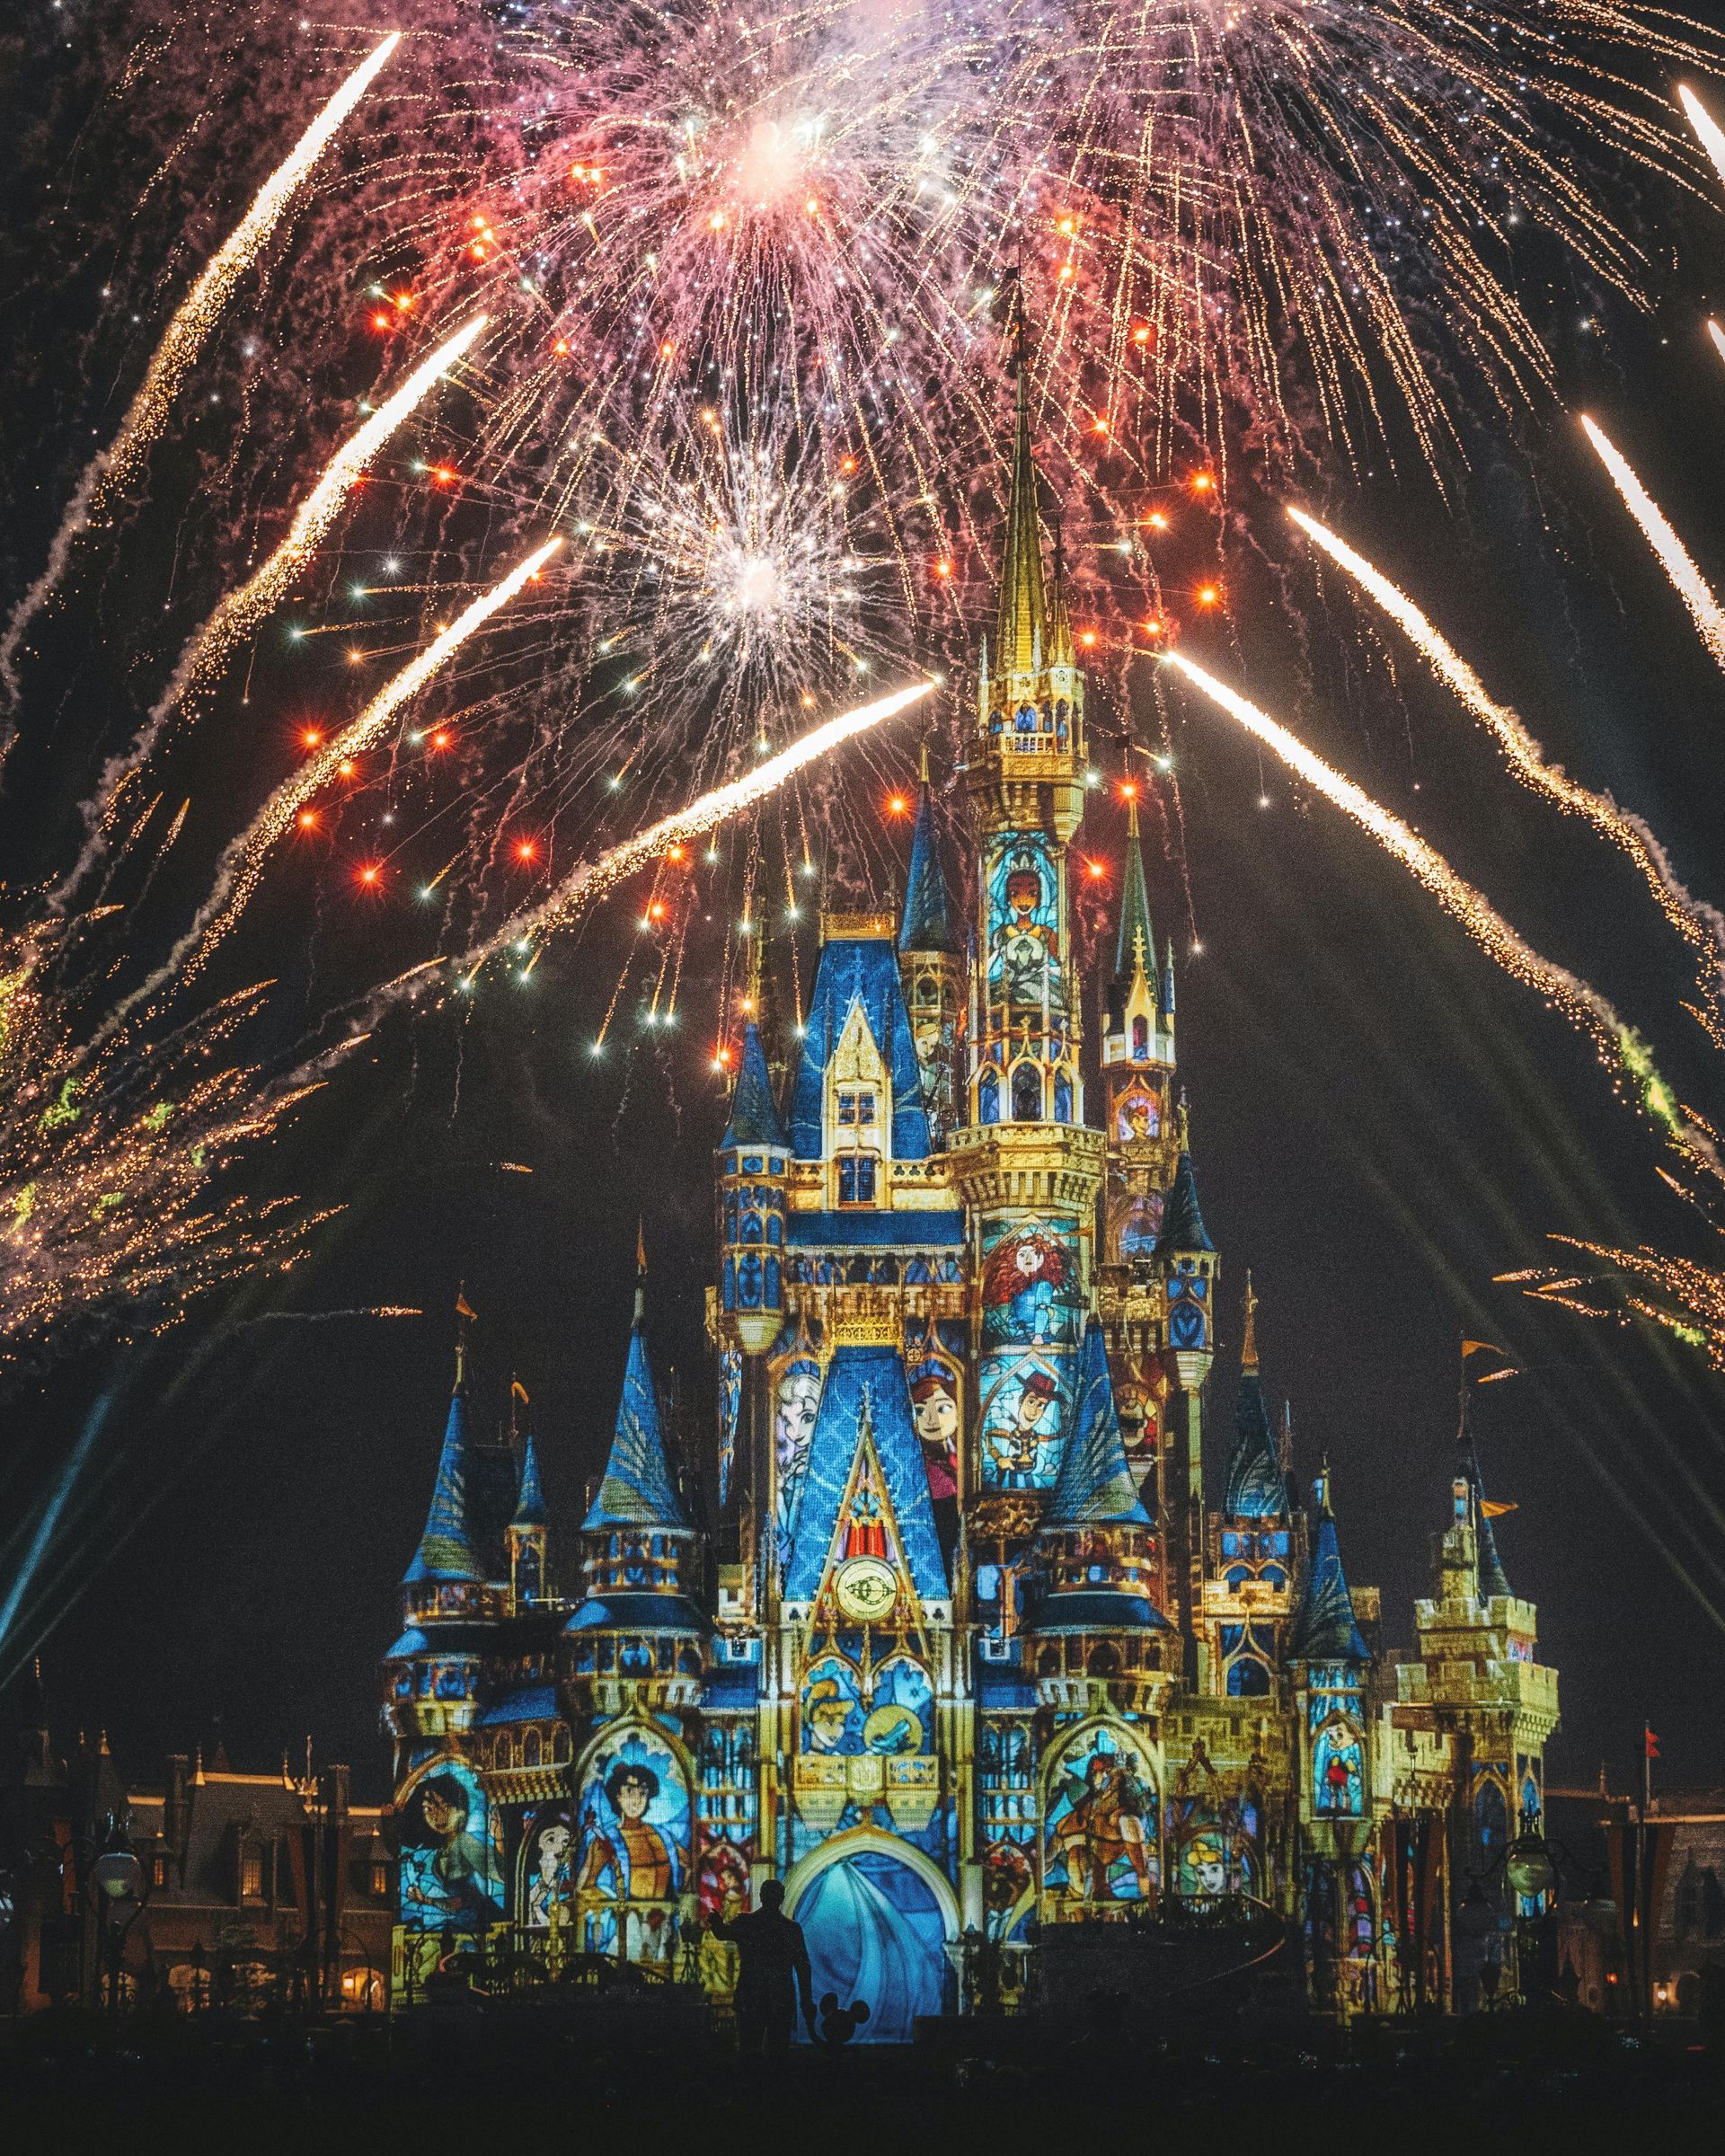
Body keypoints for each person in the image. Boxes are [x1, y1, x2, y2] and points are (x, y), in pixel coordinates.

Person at [707, 1878, 817, 2060]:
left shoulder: (747, 1922)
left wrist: (717, 1924)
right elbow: (803, 1967)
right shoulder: (791, 1929)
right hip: (780, 1998)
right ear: (781, 1898)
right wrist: (806, 1999)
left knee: (749, 2052)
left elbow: (723, 1933)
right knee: (778, 2054)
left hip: (752, 1996)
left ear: (761, 1897)